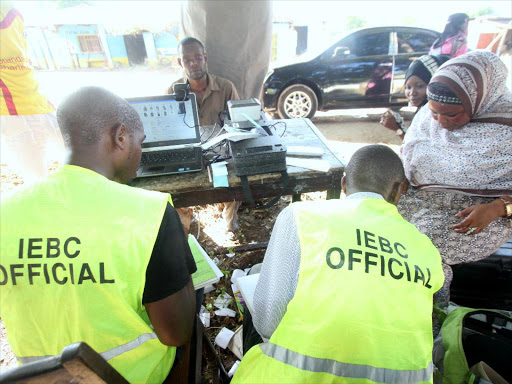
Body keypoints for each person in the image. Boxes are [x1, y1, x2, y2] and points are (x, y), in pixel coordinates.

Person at [0, 87, 197, 383]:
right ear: (120, 137)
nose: (140, 154)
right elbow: (176, 333)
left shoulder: (6, 211)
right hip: (135, 376)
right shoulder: (149, 212)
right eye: (139, 142)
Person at [232, 145, 444, 383]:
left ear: (344, 184)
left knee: (257, 282)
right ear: (401, 189)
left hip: (298, 376)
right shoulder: (424, 247)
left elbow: (267, 323)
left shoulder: (301, 217)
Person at [398, 50, 512, 312]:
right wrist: (399, 175)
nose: (441, 123)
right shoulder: (428, 114)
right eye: (436, 114)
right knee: (380, 234)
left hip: (477, 215)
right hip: (419, 201)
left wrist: (497, 209)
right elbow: (410, 156)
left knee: (422, 252)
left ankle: (429, 320)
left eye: (451, 115)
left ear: (478, 100)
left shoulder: (507, 126)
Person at [168, 37, 241, 240]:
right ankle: (183, 225)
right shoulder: (172, 91)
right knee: (175, 187)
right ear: (180, 62)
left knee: (234, 180)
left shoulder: (226, 87)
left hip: (220, 151)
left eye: (198, 57)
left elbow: (239, 124)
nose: (193, 63)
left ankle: (230, 224)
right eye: (187, 59)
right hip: (188, 152)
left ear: (205, 58)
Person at [0, 1, 66, 185]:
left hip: (37, 102)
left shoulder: (11, 10)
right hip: (14, 112)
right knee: (37, 184)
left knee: (86, 162)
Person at [380, 54, 450, 138]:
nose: (412, 93)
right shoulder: (423, 110)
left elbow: (413, 148)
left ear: (434, 85)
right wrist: (398, 126)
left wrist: (397, 129)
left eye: (419, 86)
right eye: (408, 87)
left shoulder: (434, 115)